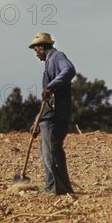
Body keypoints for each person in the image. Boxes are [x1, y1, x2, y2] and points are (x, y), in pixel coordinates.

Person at [28, 32, 76, 195]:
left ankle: (57, 188)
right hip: (49, 115)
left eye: (36, 49)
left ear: (42, 47)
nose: (36, 53)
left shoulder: (57, 57)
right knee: (47, 151)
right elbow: (46, 100)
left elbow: (69, 70)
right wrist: (37, 120)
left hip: (56, 115)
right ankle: (53, 186)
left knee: (51, 152)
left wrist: (51, 86)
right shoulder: (49, 63)